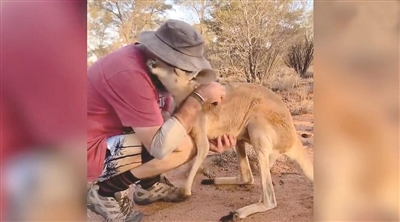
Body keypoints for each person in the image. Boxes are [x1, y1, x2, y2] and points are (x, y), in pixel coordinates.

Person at [87, 19, 237, 221]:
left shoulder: (155, 68)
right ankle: (105, 193)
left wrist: (203, 141)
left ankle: (147, 187)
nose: (189, 74)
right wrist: (198, 98)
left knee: (182, 140)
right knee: (180, 146)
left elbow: (167, 118)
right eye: (184, 67)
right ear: (160, 56)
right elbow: (159, 147)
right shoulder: (130, 73)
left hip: (108, 136)